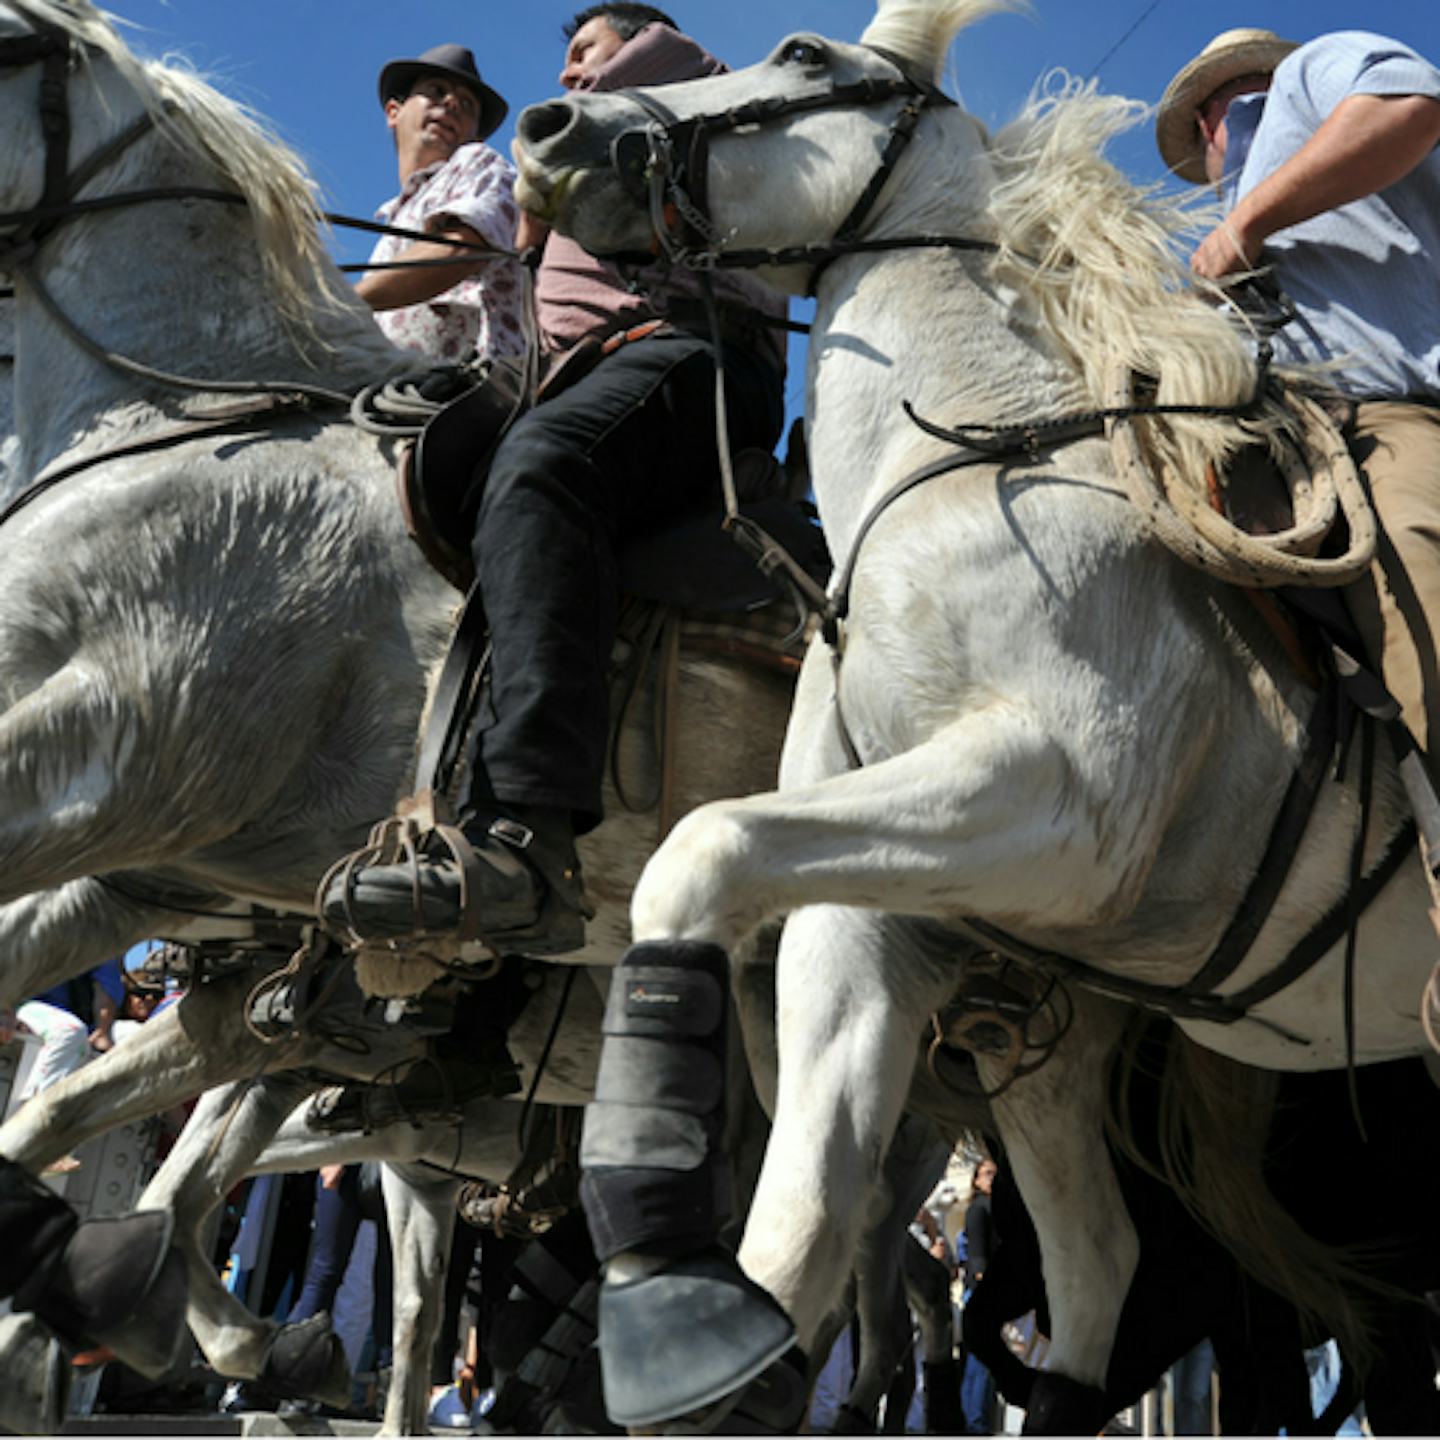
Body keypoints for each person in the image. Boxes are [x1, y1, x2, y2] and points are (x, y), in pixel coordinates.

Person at [322, 9, 787, 983]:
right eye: (571, 57)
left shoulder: (685, 83)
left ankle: (526, 838)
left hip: (683, 349)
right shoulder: (574, 152)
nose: (576, 72)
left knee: (544, 468)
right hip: (582, 378)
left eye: (590, 52)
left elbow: (647, 66)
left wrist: (603, 76)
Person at [1155, 29, 1440, 785]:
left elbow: (1411, 106)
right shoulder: (1257, 212)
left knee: (1418, 594)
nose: (1208, 156)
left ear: (1214, 114)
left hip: (1396, 419)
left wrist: (1246, 225)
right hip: (1302, 439)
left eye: (1200, 137)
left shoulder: (1307, 76)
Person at [361, 43, 525, 363]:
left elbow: (459, 251)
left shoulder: (480, 163)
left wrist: (336, 304)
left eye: (467, 104)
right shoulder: (391, 221)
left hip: (477, 386)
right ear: (394, 112)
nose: (451, 103)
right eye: (436, 91)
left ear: (474, 135)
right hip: (394, 393)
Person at [960, 1158, 998, 1435]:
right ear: (975, 1180)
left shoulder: (998, 1209)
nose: (991, 1178)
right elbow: (977, 1255)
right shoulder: (979, 1209)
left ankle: (979, 1421)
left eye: (994, 1174)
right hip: (983, 1291)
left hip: (991, 1291)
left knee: (985, 1362)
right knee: (980, 1362)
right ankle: (975, 1423)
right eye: (986, 1174)